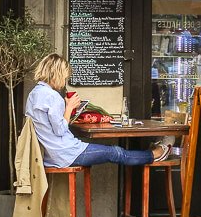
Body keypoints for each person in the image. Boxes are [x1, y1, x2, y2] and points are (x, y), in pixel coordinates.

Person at [26, 53, 171, 168]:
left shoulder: (34, 94)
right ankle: (154, 155)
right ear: (56, 74)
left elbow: (51, 127)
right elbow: (59, 130)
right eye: (65, 77)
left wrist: (69, 110)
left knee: (114, 152)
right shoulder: (52, 96)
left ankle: (151, 154)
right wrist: (69, 107)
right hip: (66, 153)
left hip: (50, 155)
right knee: (115, 152)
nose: (65, 81)